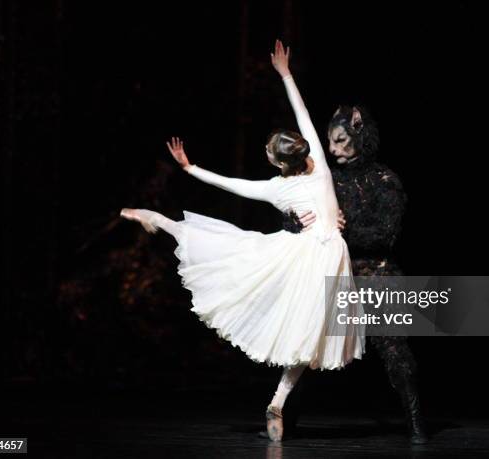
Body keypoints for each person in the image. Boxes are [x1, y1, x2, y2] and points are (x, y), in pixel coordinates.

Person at [120, 40, 365, 442]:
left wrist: (191, 168)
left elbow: (231, 185)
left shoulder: (278, 189)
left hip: (315, 255)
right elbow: (302, 114)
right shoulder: (319, 162)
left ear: (279, 163)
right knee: (303, 331)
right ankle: (278, 401)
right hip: (325, 254)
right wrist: (286, 74)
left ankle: (277, 403)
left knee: (301, 329)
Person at [283, 104, 428, 444]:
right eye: (330, 142)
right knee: (306, 348)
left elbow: (386, 235)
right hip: (332, 273)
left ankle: (418, 426)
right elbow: (292, 216)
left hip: (374, 274)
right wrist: (296, 221)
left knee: (395, 350)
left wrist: (343, 230)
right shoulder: (325, 180)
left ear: (360, 135)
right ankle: (284, 426)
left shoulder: (385, 181)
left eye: (341, 140)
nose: (332, 150)